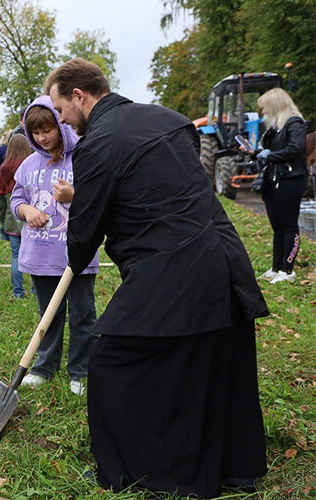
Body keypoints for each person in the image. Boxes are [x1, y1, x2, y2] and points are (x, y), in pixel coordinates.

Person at [47, 58, 269, 497]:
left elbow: (87, 230)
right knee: (213, 356)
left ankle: (149, 472)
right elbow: (156, 188)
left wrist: (76, 243)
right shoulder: (168, 120)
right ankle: (235, 467)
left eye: (60, 109)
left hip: (172, 265)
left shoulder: (99, 142)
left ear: (79, 95)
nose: (61, 119)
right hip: (220, 254)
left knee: (112, 357)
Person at [10, 96, 98, 395]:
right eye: (35, 132)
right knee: (48, 313)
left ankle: (81, 371)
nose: (42, 137)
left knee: (83, 313)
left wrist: (75, 195)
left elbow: (99, 198)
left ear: (61, 124)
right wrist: (27, 211)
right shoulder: (27, 165)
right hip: (40, 253)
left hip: (76, 254)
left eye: (47, 129)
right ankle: (45, 367)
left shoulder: (83, 157)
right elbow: (17, 200)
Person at [241, 88, 308, 284]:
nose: (262, 112)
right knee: (277, 227)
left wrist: (268, 155)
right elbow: (271, 152)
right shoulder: (275, 128)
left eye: (264, 108)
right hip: (274, 180)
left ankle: (288, 269)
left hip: (290, 180)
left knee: (289, 225)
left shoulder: (294, 123)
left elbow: (295, 149)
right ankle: (276, 267)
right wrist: (254, 152)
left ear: (274, 105)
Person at [0, 134, 31, 299]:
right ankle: (37, 291)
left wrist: (2, 219)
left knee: (16, 256)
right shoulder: (32, 166)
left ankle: (18, 292)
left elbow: (0, 198)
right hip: (31, 219)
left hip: (12, 218)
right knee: (33, 255)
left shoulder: (4, 169)